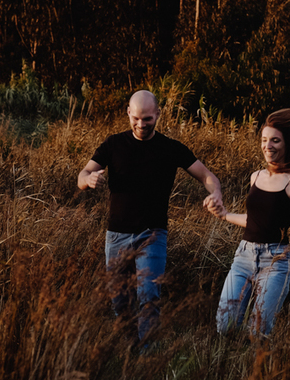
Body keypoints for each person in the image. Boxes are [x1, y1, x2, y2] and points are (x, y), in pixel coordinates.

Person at [78, 90, 223, 341]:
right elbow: (82, 175)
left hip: (153, 235)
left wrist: (216, 194)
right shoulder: (113, 144)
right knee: (120, 300)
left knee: (149, 297)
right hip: (117, 235)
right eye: (136, 118)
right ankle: (126, 349)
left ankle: (146, 354)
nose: (141, 124)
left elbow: (208, 177)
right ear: (128, 113)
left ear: (158, 114)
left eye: (147, 118)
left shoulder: (171, 148)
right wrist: (88, 179)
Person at [208, 108, 290, 337]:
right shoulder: (256, 177)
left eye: (275, 141)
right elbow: (255, 221)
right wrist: (224, 214)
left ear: (287, 143)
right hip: (243, 257)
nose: (268, 146)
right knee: (224, 327)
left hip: (276, 262)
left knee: (258, 333)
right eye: (264, 140)